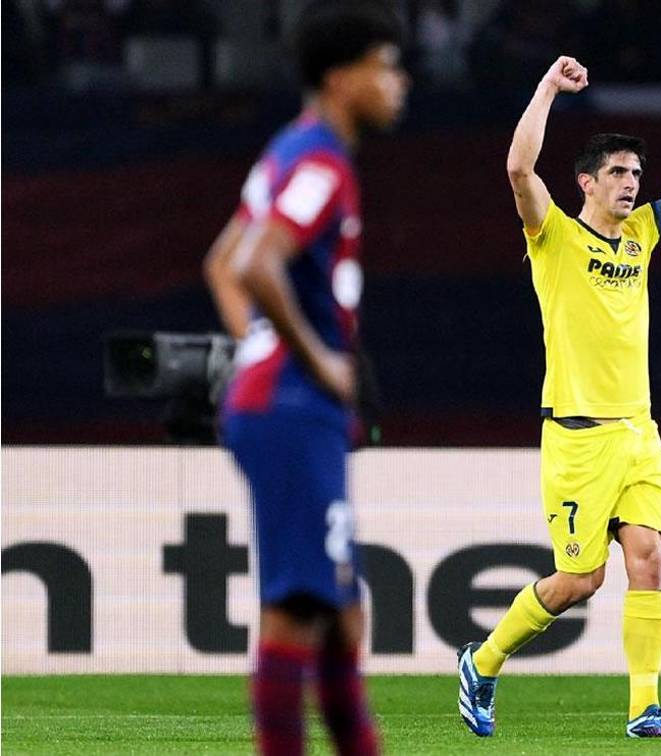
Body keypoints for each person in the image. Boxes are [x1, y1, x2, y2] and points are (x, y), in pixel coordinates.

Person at [457, 55, 661, 739]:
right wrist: (547, 87)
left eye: (637, 174)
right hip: (577, 437)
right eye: (618, 173)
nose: (632, 184)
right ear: (586, 182)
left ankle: (644, 709)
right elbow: (520, 170)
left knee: (651, 557)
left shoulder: (642, 236)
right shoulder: (553, 236)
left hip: (637, 431)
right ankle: (483, 661)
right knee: (579, 581)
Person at [202, 1, 409, 753]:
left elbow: (221, 264)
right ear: (342, 76)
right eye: (386, 67)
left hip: (282, 404)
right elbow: (255, 263)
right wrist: (314, 359)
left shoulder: (288, 150)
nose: (399, 83)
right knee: (297, 611)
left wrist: (258, 348)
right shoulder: (320, 160)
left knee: (341, 617)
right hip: (295, 407)